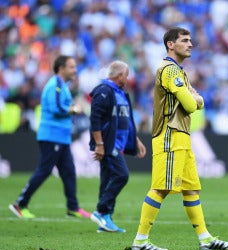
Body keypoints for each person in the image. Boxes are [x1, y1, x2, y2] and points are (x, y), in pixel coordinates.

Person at [131, 27, 228, 250]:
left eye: (190, 40)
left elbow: (200, 101)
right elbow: (190, 104)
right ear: (171, 44)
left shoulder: (180, 71)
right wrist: (195, 99)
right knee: (161, 188)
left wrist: (196, 99)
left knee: (190, 189)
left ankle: (205, 238)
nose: (190, 44)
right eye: (185, 40)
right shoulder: (168, 70)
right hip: (169, 134)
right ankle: (140, 239)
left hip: (182, 136)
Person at [9, 55, 90, 219]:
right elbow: (57, 108)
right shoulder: (56, 85)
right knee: (44, 170)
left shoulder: (62, 86)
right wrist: (74, 109)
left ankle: (72, 207)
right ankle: (20, 204)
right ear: (61, 68)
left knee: (68, 171)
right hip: (52, 135)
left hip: (61, 136)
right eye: (72, 67)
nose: (75, 70)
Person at [89, 60, 146, 233]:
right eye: (127, 75)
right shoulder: (104, 91)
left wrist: (135, 140)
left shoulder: (120, 93)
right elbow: (95, 119)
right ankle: (101, 211)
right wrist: (99, 144)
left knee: (107, 180)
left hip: (119, 144)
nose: (128, 79)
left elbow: (126, 121)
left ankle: (105, 221)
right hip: (108, 144)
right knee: (121, 175)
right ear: (120, 74)